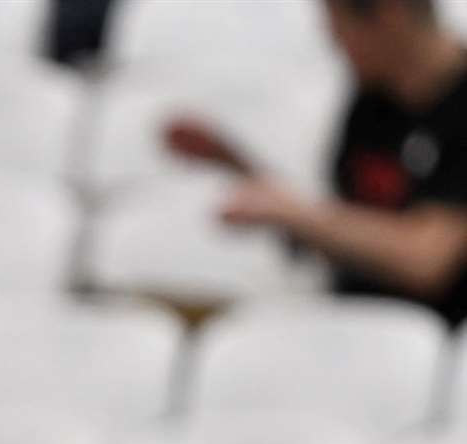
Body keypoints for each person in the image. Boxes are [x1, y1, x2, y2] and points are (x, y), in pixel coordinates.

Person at [167, 0, 467, 322]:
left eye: (337, 24)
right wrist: (237, 168)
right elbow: (345, 229)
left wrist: (294, 213)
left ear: (390, 14)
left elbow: (427, 260)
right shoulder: (374, 99)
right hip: (350, 320)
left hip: (435, 337)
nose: (331, 38)